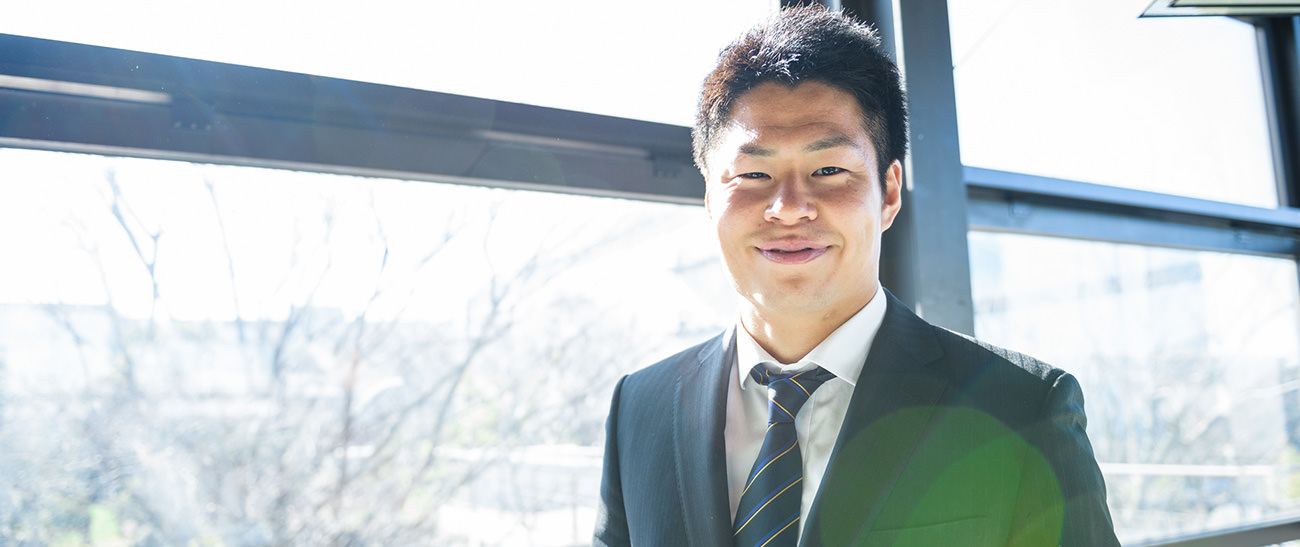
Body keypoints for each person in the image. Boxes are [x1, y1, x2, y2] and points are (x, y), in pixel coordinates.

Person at [593, 5, 1120, 547]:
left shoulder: (1022, 409)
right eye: (753, 173)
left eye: (828, 171)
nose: (789, 208)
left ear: (889, 193)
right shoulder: (640, 406)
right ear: (709, 198)